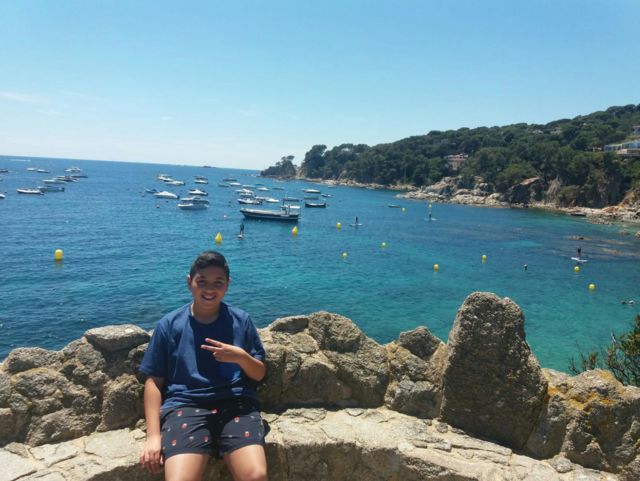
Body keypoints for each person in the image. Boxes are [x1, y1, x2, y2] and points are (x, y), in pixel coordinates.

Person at [139, 251, 267, 481]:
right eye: (202, 282)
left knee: (256, 476)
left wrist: (241, 357)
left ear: (227, 284)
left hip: (235, 403)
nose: (210, 289)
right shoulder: (169, 325)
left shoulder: (241, 321)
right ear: (189, 282)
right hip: (185, 405)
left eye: (218, 282)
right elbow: (154, 382)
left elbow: (258, 374)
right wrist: (153, 437)